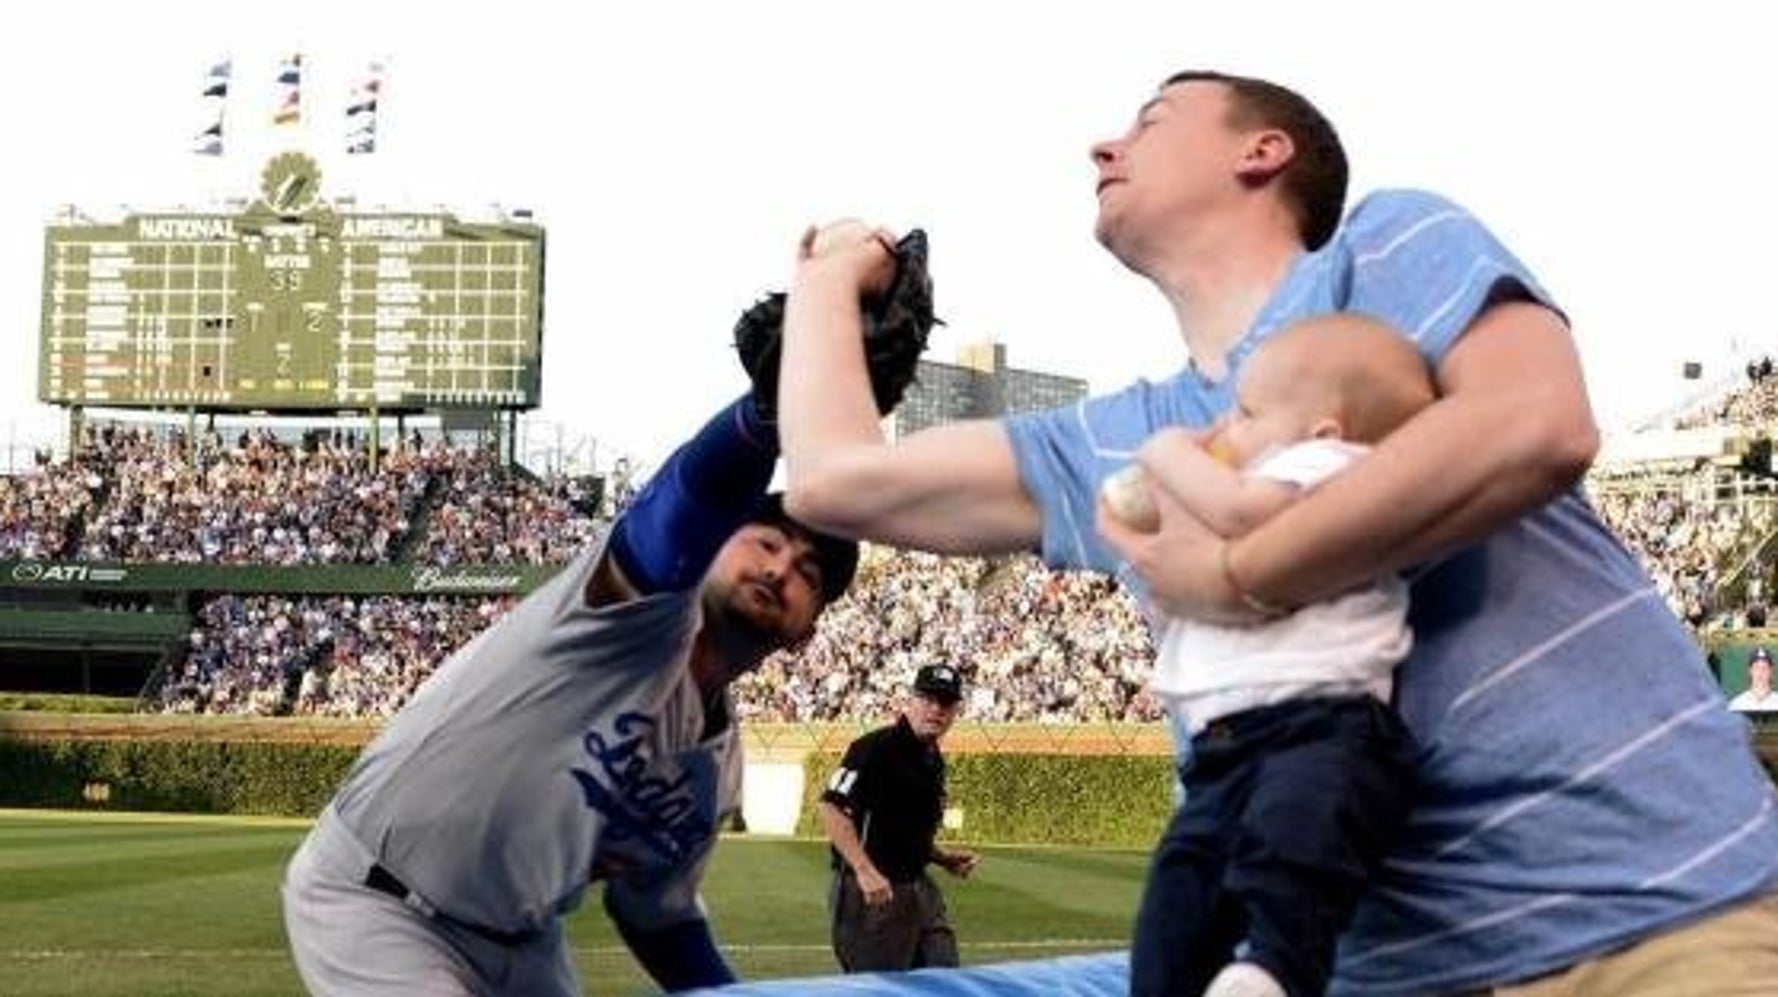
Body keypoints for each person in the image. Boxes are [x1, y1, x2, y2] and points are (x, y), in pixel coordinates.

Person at [776, 70, 1778, 996]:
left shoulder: (1377, 252)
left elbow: (1534, 425)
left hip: (1654, 921)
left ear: (1261, 151)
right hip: (1368, 974)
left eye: (1148, 122)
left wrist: (1237, 568)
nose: (1101, 147)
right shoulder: (1118, 440)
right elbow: (833, 480)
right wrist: (827, 273)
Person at [281, 391, 860, 996]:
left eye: (808, 574)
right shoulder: (629, 618)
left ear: (807, 633)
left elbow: (658, 916)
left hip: (527, 945)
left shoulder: (716, 775)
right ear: (715, 545)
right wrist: (764, 412)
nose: (779, 569)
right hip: (380, 903)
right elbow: (682, 507)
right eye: (767, 542)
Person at [1097, 314, 1431, 997]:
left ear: (1324, 430)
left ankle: (1273, 973)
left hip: (1322, 727)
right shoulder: (1271, 478)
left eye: (1246, 412)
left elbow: (1244, 511)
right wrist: (1139, 536)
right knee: (1181, 893)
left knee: (1293, 865)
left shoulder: (1332, 466)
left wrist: (1166, 453)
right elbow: (1185, 586)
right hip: (1226, 748)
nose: (1228, 429)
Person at [817, 662, 980, 973]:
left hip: (917, 887)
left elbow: (902, 829)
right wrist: (865, 871)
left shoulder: (932, 759)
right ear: (911, 701)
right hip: (871, 894)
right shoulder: (874, 748)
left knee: (944, 980)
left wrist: (942, 858)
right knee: (882, 988)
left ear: (956, 711)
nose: (936, 709)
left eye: (945, 702)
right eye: (928, 699)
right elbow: (832, 807)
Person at [1729, 646, 1778, 712]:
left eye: (1764, 668)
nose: (1760, 673)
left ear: (1770, 671)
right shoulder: (1737, 704)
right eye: (1756, 668)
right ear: (1750, 671)